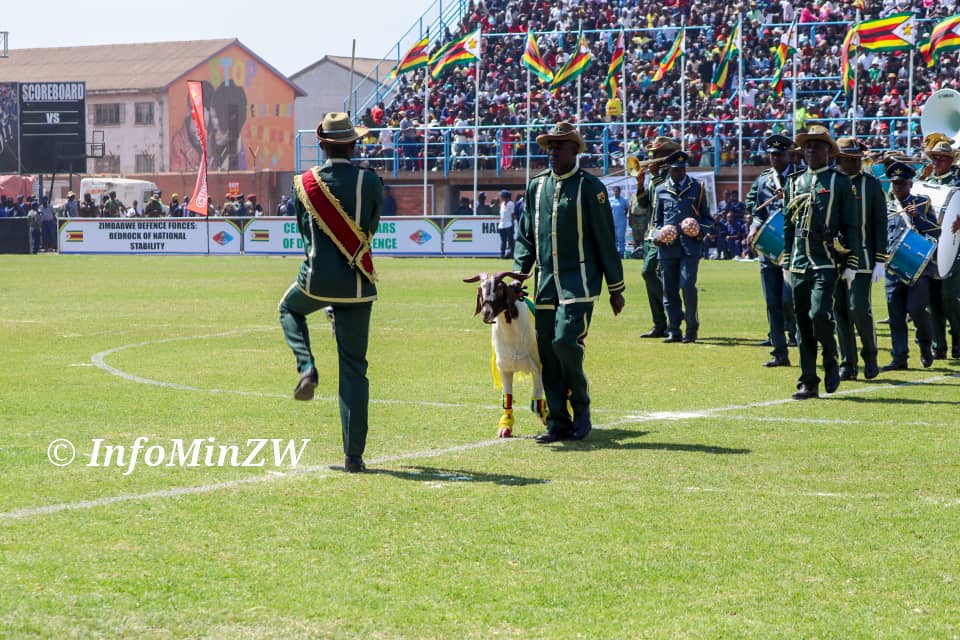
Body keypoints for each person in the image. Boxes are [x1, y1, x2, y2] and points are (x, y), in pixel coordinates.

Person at [278, 112, 383, 473]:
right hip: (357, 284)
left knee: (288, 310)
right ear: (354, 144)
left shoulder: (302, 183)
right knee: (354, 369)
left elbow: (304, 231)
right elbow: (370, 227)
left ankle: (306, 366)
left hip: (317, 281)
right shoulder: (370, 182)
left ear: (321, 144)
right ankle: (353, 456)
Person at [513, 121, 625, 443]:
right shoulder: (536, 187)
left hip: (581, 283)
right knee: (548, 352)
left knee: (565, 341)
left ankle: (582, 406)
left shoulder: (591, 188)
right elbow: (526, 237)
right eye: (550, 146)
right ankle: (558, 422)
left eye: (560, 145)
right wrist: (520, 273)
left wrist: (616, 288)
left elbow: (605, 240)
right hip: (546, 283)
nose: (553, 151)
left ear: (575, 149)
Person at [782, 125, 861, 400]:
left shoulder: (840, 183)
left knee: (818, 315)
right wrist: (785, 260)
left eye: (817, 145)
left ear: (829, 151)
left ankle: (830, 358)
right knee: (802, 324)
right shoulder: (794, 182)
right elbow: (787, 226)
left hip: (826, 261)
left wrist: (852, 262)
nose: (811, 150)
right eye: (808, 146)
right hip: (799, 261)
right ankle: (808, 380)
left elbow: (852, 225)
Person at [832, 137, 887, 381]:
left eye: (856, 159)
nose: (852, 164)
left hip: (864, 257)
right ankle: (848, 363)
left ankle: (870, 355)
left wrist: (880, 260)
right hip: (835, 259)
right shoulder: (831, 183)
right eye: (847, 159)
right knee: (840, 312)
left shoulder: (872, 186)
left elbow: (880, 224)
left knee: (858, 308)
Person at [652, 150, 714, 344]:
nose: (680, 172)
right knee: (669, 290)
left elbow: (708, 218)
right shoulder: (660, 190)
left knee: (687, 285)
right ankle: (674, 330)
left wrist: (698, 230)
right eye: (676, 169)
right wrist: (658, 235)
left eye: (682, 169)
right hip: (667, 247)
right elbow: (655, 221)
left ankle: (691, 329)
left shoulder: (697, 187)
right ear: (669, 169)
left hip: (690, 247)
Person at [882, 161, 938, 371]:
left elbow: (935, 231)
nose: (898, 187)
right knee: (895, 314)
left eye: (902, 183)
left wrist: (919, 217)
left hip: (917, 267)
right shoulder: (886, 206)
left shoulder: (922, 202)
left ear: (910, 183)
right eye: (895, 184)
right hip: (893, 267)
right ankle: (899, 357)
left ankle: (925, 346)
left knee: (915, 309)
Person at [631, 136, 680, 339]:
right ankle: (660, 324)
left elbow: (668, 195)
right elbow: (644, 205)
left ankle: (673, 315)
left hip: (666, 235)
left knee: (651, 273)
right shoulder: (653, 178)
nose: (651, 158)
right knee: (648, 274)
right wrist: (641, 185)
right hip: (651, 235)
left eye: (656, 155)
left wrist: (655, 178)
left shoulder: (672, 175)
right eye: (651, 155)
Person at [923, 140, 960, 360]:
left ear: (950, 160)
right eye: (935, 157)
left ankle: (957, 337)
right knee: (931, 297)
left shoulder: (957, 181)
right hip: (930, 246)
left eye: (943, 158)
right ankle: (939, 345)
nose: (938, 161)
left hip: (955, 246)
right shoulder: (925, 181)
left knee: (949, 295)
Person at [608, 184, 629, 257]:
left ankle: (621, 253)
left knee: (621, 238)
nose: (617, 192)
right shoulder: (610, 200)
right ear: (613, 191)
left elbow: (626, 209)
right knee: (613, 238)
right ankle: (614, 253)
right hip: (612, 221)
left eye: (618, 191)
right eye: (615, 191)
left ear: (620, 192)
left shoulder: (624, 200)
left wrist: (623, 216)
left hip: (621, 222)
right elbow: (608, 210)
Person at [497, 189, 515, 258]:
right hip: (502, 225)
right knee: (503, 241)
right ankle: (502, 255)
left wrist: (512, 224)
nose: (500, 197)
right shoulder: (502, 204)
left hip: (509, 224)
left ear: (506, 196)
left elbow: (513, 215)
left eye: (501, 196)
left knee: (511, 241)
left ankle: (513, 255)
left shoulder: (511, 204)